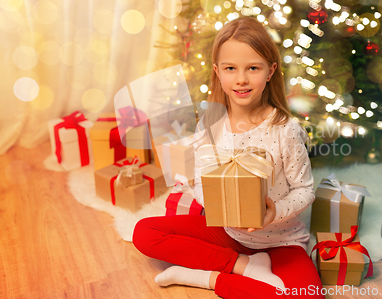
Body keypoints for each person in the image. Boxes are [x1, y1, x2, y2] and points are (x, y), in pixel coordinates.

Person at [133, 17, 324, 298]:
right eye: (231, 68)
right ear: (218, 72)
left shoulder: (286, 129)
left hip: (281, 240)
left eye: (253, 68)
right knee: (144, 232)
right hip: (228, 234)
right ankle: (242, 266)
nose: (241, 79)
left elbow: (304, 191)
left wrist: (274, 212)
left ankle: (207, 278)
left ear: (270, 71)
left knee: (308, 296)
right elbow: (199, 183)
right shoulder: (210, 125)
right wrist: (218, 206)